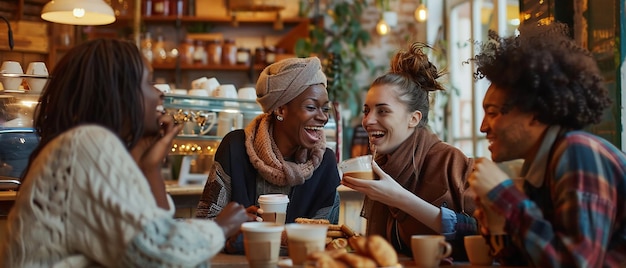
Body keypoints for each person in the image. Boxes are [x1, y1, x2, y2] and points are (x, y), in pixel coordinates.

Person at [0, 39, 260, 267]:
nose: (159, 93)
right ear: (119, 93)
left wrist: (151, 167)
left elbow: (156, 234)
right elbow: (156, 255)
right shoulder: (86, 143)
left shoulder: (82, 144)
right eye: (148, 82)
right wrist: (219, 228)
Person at [468, 22, 626, 267]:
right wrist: (495, 221)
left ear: (535, 113)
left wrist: (504, 195)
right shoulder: (539, 168)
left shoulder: (577, 151)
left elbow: (576, 263)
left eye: (493, 113)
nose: (483, 127)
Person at [341, 42, 477, 261]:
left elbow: (483, 236)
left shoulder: (451, 162)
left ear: (414, 118)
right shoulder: (383, 166)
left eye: (383, 111)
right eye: (366, 111)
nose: (368, 121)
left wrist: (400, 198)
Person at [195, 57, 341, 254]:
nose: (323, 117)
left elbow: (322, 241)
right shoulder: (235, 148)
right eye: (311, 107)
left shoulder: (325, 163)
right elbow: (204, 225)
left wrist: (246, 237)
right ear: (281, 109)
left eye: (325, 109)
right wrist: (231, 227)